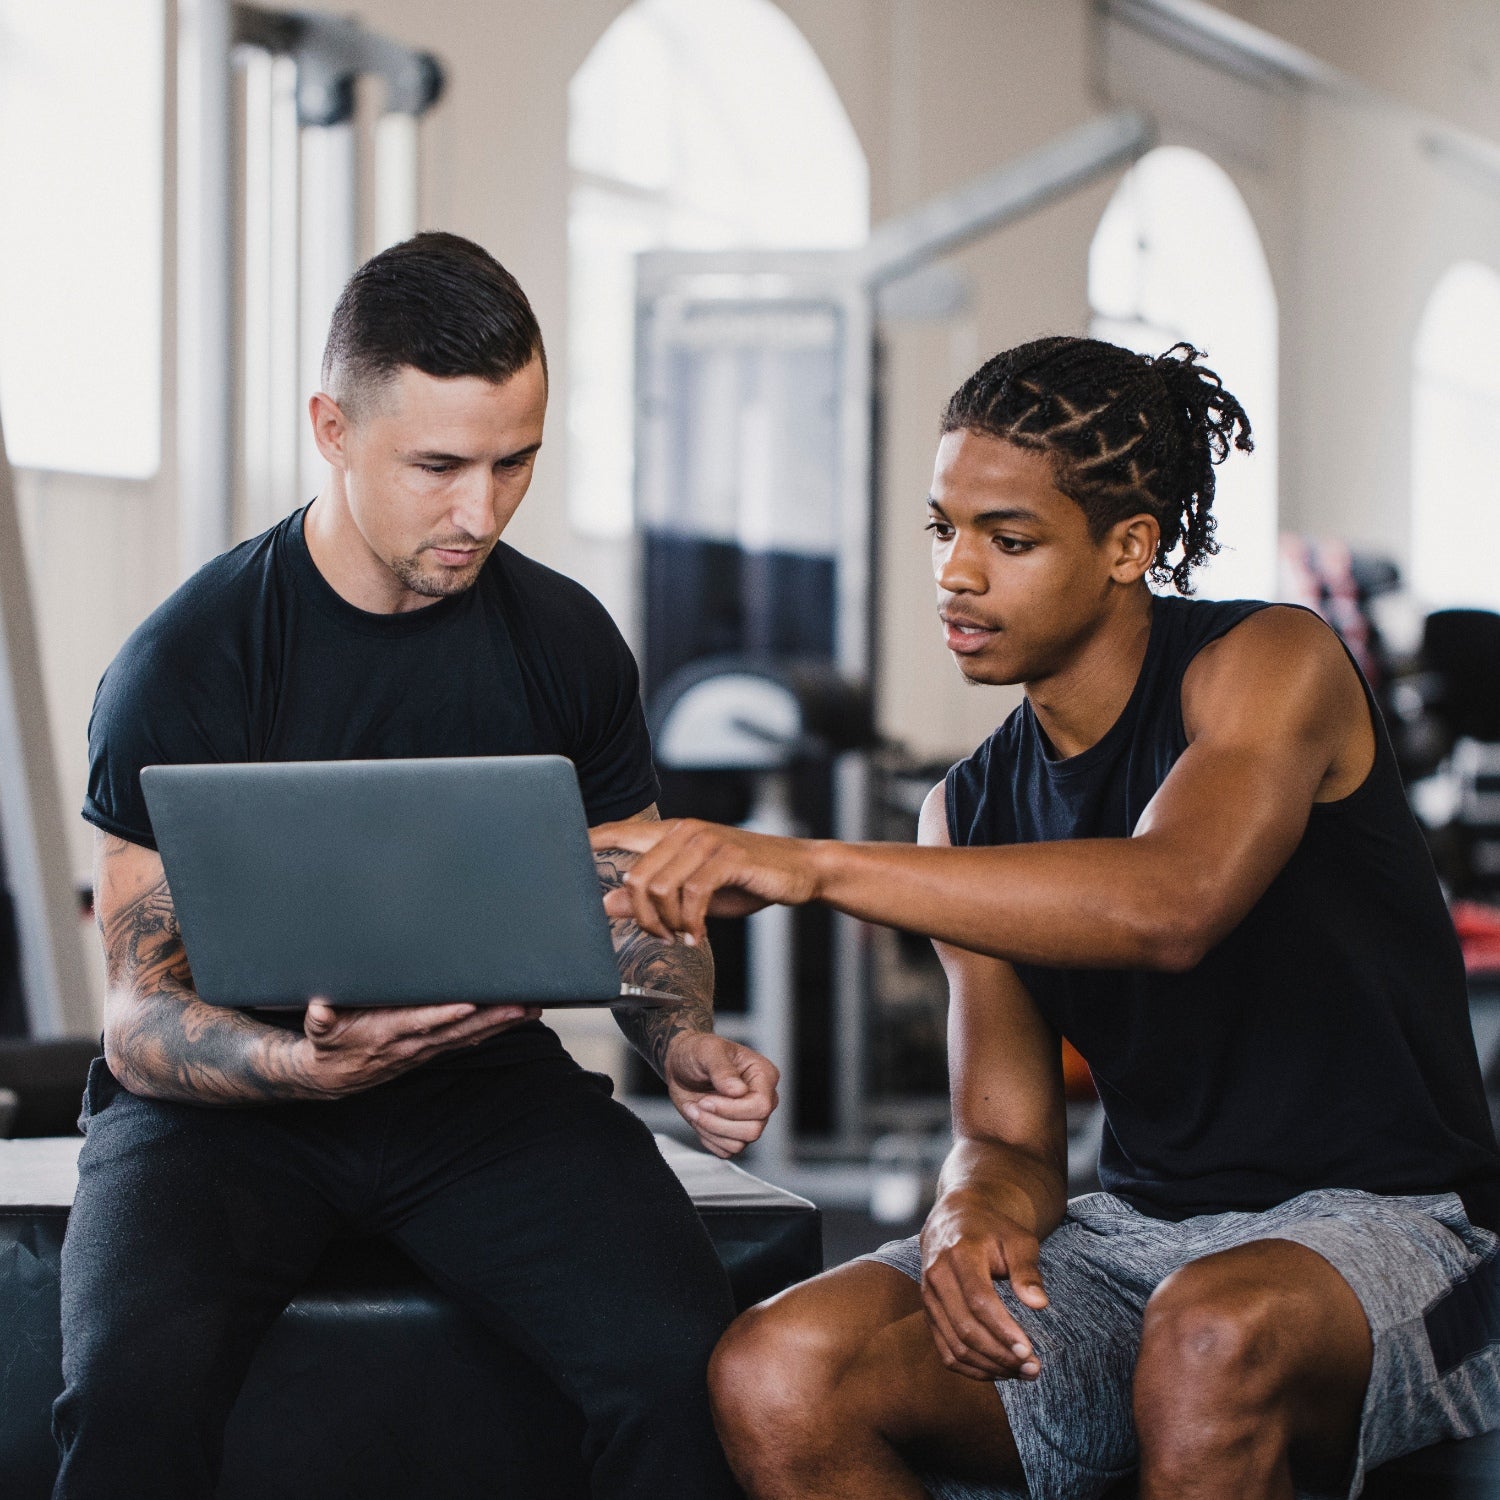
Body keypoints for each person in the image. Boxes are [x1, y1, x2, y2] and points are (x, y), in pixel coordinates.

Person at [591, 336, 1500, 1500]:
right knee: (782, 1370)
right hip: (1145, 1243)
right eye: (944, 530)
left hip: (1404, 1233)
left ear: (1130, 547)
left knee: (1211, 1338)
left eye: (1008, 540)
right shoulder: (967, 807)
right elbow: (1012, 1138)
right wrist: (969, 1212)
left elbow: (1170, 901)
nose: (957, 576)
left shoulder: (1270, 661)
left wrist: (808, 864)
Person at [55, 231, 778, 1499]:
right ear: (334, 428)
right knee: (128, 1402)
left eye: (516, 462)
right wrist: (296, 1063)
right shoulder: (192, 657)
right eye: (439, 466)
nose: (481, 511)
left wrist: (684, 1040)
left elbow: (630, 903)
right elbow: (136, 1015)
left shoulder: (563, 638)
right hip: (222, 1116)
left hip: (476, 1087)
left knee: (686, 1372)